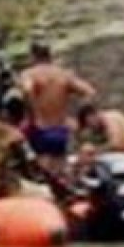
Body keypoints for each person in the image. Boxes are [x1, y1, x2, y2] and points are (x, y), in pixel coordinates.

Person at [19, 42, 97, 174]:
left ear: (33, 56)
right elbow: (89, 92)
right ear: (50, 55)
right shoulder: (64, 75)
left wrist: (33, 115)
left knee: (42, 169)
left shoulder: (29, 74)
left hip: (40, 129)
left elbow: (27, 90)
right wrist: (80, 119)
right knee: (59, 168)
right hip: (62, 129)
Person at [76, 104, 124, 169]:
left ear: (93, 116)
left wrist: (95, 152)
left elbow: (117, 143)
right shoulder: (102, 127)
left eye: (90, 123)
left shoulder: (110, 118)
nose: (91, 127)